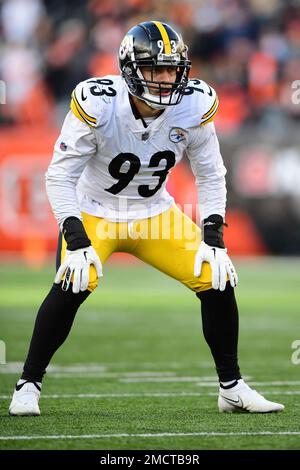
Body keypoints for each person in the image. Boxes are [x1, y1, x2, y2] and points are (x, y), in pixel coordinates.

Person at [9, 20, 284, 416]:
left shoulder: (194, 103)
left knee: (216, 277)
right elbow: (59, 175)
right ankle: (28, 384)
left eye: (172, 69)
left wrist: (214, 237)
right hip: (95, 211)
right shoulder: (98, 101)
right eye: (155, 69)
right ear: (129, 69)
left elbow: (211, 174)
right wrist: (75, 236)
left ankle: (231, 388)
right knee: (73, 280)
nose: (166, 78)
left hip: (155, 212)